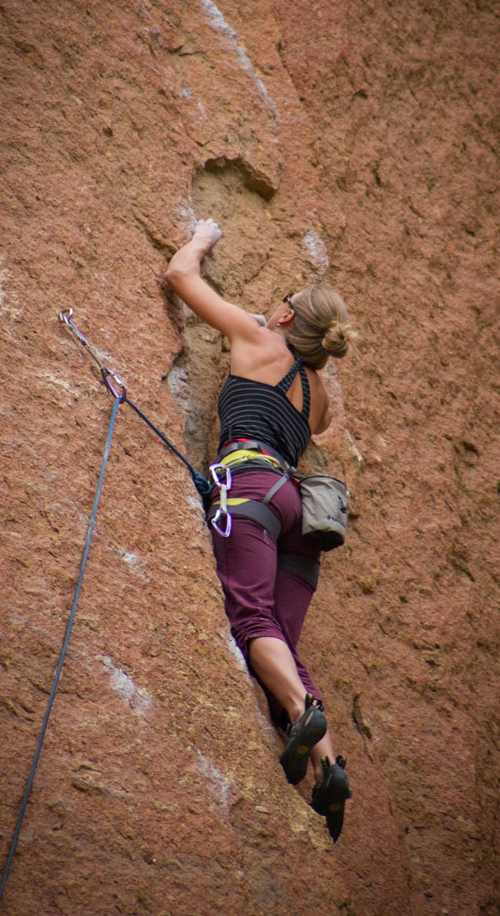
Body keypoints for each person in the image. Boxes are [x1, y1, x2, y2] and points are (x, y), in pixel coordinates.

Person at [165, 218, 354, 840]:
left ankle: (301, 713)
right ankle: (328, 766)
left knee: (251, 621)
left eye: (283, 302)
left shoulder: (255, 336)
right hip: (301, 514)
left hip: (251, 490)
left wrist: (201, 237)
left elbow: (179, 277)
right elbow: (317, 426)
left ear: (282, 317)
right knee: (281, 646)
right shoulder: (319, 397)